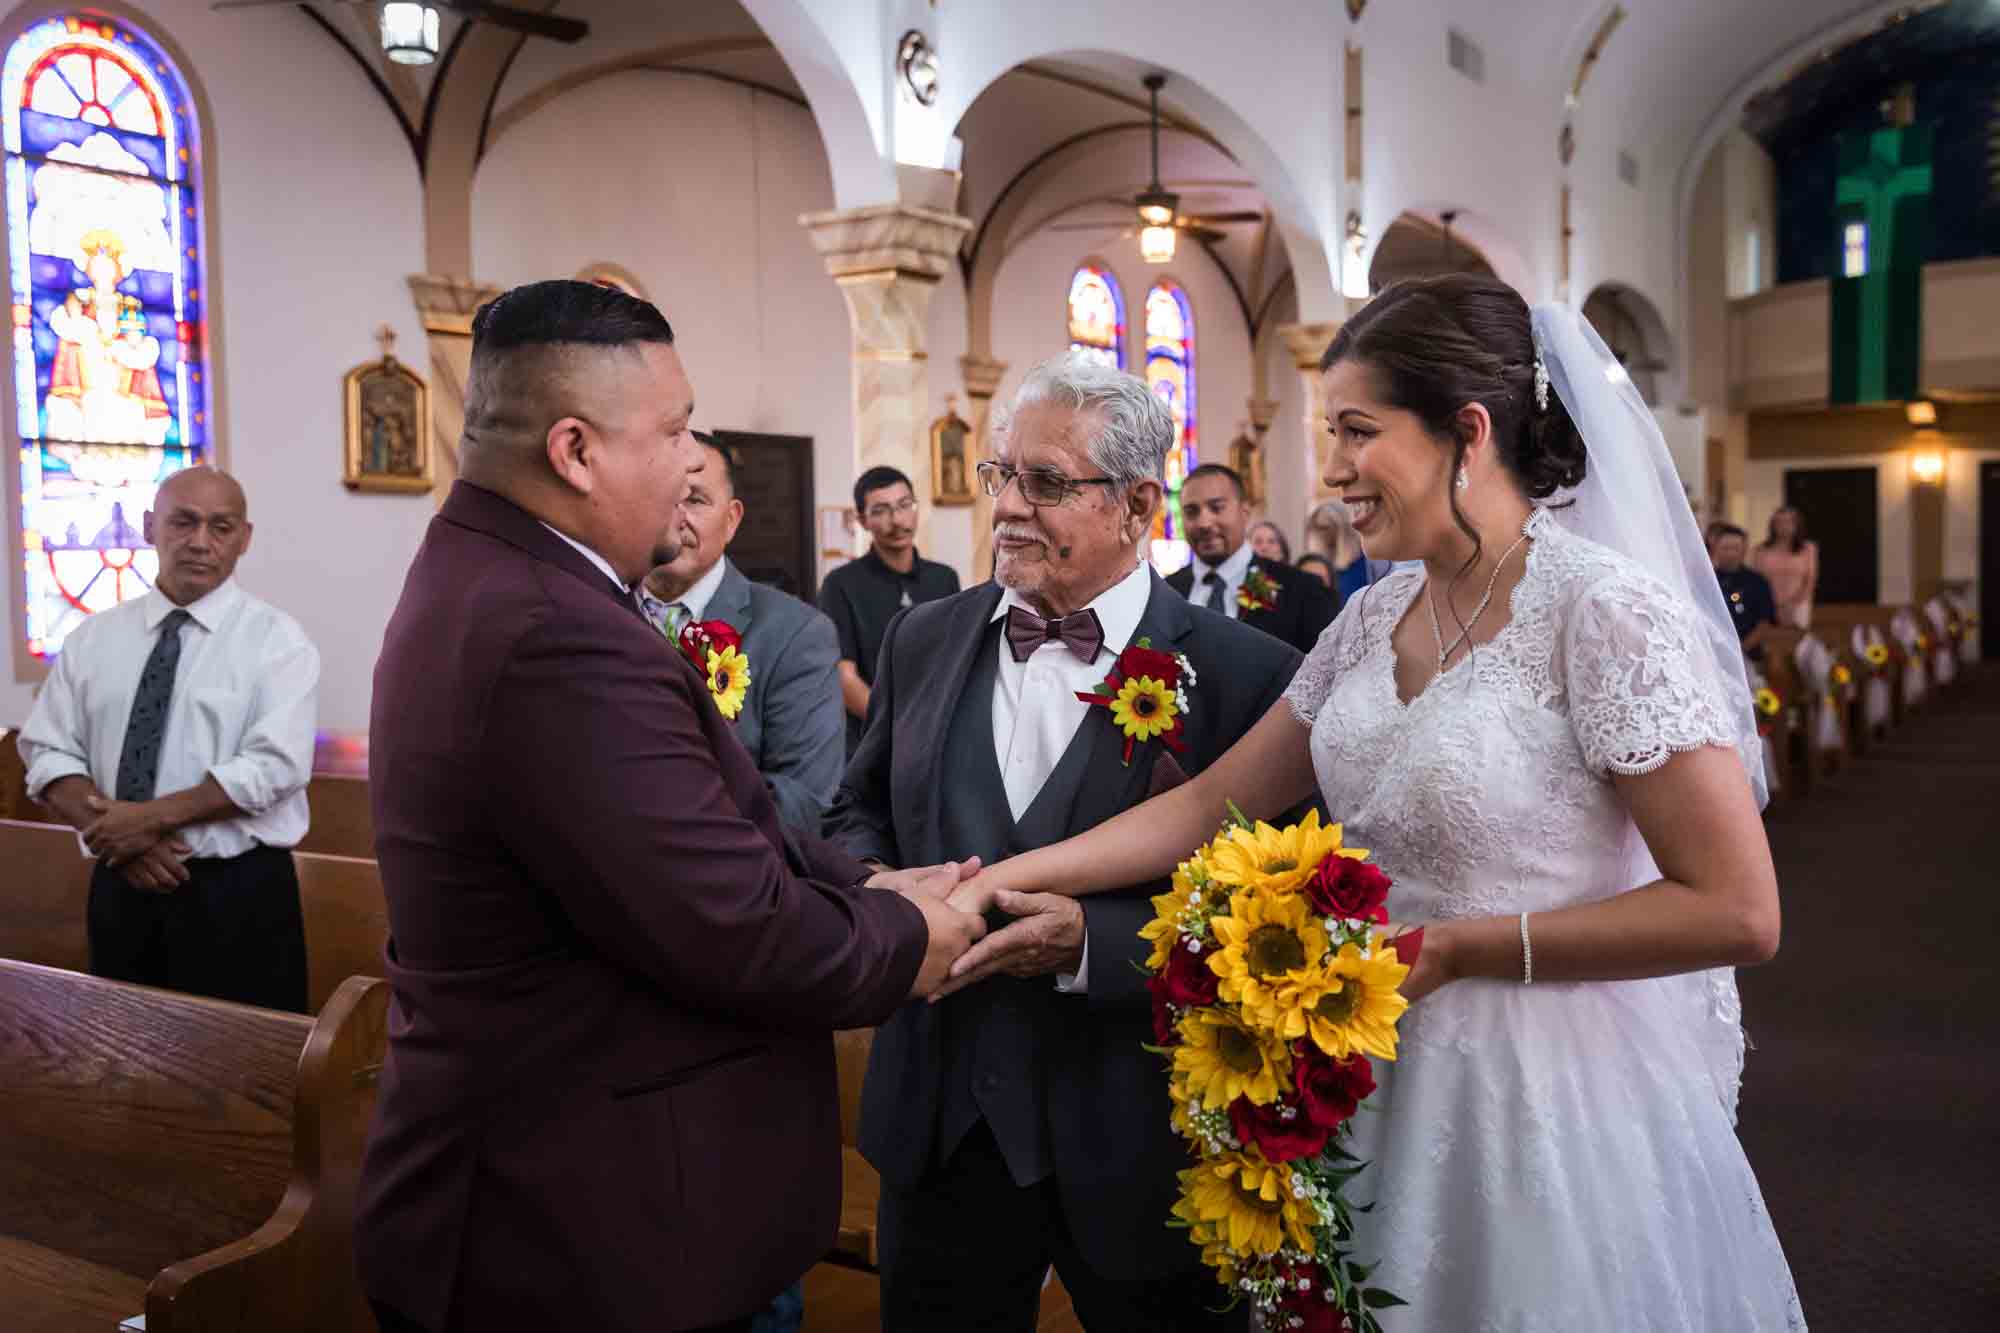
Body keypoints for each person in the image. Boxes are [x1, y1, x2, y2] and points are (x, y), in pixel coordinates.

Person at [948, 277, 1803, 1330]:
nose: (1333, 470)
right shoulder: (1369, 617)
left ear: (1467, 431)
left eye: (1357, 431)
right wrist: (995, 879)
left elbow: (1735, 910)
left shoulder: (1605, 613)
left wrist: (1453, 949)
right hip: (1363, 1070)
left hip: (1540, 1091)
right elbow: (1213, 800)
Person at [354, 280, 985, 1333]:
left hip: (556, 1188)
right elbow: (732, 924)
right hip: (583, 1223)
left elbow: (698, 822)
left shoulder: (493, 574)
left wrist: (863, 878)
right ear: (575, 451)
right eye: (675, 428)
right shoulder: (552, 630)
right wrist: (909, 931)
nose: (692, 458)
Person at [826, 355, 1302, 1331]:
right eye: (1000, 475)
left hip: (1135, 1132)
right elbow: (852, 814)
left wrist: (1095, 945)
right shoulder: (923, 641)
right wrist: (882, 886)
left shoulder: (1246, 679)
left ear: (1136, 504)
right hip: (941, 1125)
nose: (1005, 505)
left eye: (1044, 483)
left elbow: (1279, 923)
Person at [18, 466, 318, 1013]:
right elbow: (46, 751)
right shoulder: (93, 639)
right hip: (120, 884)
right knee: (123, 1070)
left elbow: (276, 766)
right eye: (184, 522)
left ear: (244, 539)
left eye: (220, 527)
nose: (200, 542)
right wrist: (115, 836)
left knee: (251, 1076)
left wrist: (147, 820)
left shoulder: (278, 642)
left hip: (239, 895)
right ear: (149, 526)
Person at [638, 432, 845, 835]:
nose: (676, 516)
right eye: (663, 496)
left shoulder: (796, 634)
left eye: (695, 500)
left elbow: (807, 800)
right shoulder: (601, 609)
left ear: (731, 520)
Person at [817, 466, 960, 752]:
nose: (897, 520)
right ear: (862, 520)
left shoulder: (944, 578)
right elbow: (843, 676)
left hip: (939, 735)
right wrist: (896, 728)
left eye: (905, 505)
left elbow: (956, 660)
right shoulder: (840, 584)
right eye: (881, 510)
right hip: (872, 740)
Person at [1167, 463, 1336, 653]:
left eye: (1216, 508)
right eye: (1191, 512)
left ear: (1245, 512)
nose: (1204, 523)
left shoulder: (1302, 590)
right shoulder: (1166, 594)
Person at [1307, 496, 1392, 613]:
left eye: (1325, 527)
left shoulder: (1368, 556)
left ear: (1341, 527)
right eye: (1317, 528)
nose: (1322, 534)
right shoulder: (1320, 561)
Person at [1712, 523, 1778, 654]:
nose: (1730, 553)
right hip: (1713, 651)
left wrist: (1741, 649)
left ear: (1744, 550)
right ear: (1715, 549)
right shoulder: (1706, 581)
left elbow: (1764, 622)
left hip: (1749, 652)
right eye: (1726, 548)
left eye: (1735, 548)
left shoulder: (1758, 582)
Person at [1752, 505, 1818, 630]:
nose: (1784, 526)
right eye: (1779, 522)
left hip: (1799, 604)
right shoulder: (1760, 550)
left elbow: (1810, 580)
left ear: (1797, 525)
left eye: (1788, 522)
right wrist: (1774, 605)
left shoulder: (1808, 548)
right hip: (1768, 603)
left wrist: (1793, 604)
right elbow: (1757, 581)